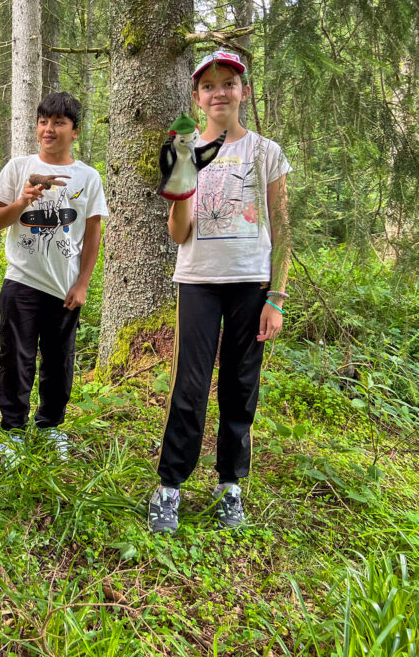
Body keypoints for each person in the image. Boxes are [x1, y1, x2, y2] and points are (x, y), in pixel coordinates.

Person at [148, 49, 291, 535]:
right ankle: (170, 486)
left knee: (240, 386)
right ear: (197, 96)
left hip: (251, 283)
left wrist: (277, 296)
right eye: (209, 86)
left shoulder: (265, 152)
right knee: (189, 386)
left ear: (243, 92)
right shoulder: (183, 149)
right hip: (199, 282)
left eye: (228, 83)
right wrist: (181, 192)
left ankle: (229, 483)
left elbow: (284, 227)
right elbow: (178, 234)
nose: (219, 92)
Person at [0, 91, 108, 459]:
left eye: (58, 123)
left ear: (75, 131)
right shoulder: (18, 167)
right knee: (15, 358)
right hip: (21, 280)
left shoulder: (87, 177)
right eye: (43, 122)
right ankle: (13, 431)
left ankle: (51, 426)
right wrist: (23, 200)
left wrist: (83, 283)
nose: (49, 129)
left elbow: (92, 235)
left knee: (59, 361)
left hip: (64, 287)